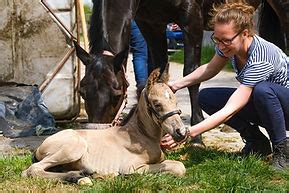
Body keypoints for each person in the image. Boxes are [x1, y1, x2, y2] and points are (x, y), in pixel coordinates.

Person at [161, 1, 289, 170]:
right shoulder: (230, 45)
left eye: (226, 40)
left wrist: (189, 132)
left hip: (283, 109)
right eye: (217, 39)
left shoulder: (261, 57)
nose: (220, 46)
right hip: (268, 106)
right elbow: (210, 68)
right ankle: (257, 142)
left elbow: (232, 108)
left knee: (263, 90)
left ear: (244, 33)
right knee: (206, 97)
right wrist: (176, 84)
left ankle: (282, 152)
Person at [130, 20, 149, 98]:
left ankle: (141, 87)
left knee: (139, 53)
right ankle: (150, 88)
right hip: (140, 17)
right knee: (142, 53)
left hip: (125, 16)